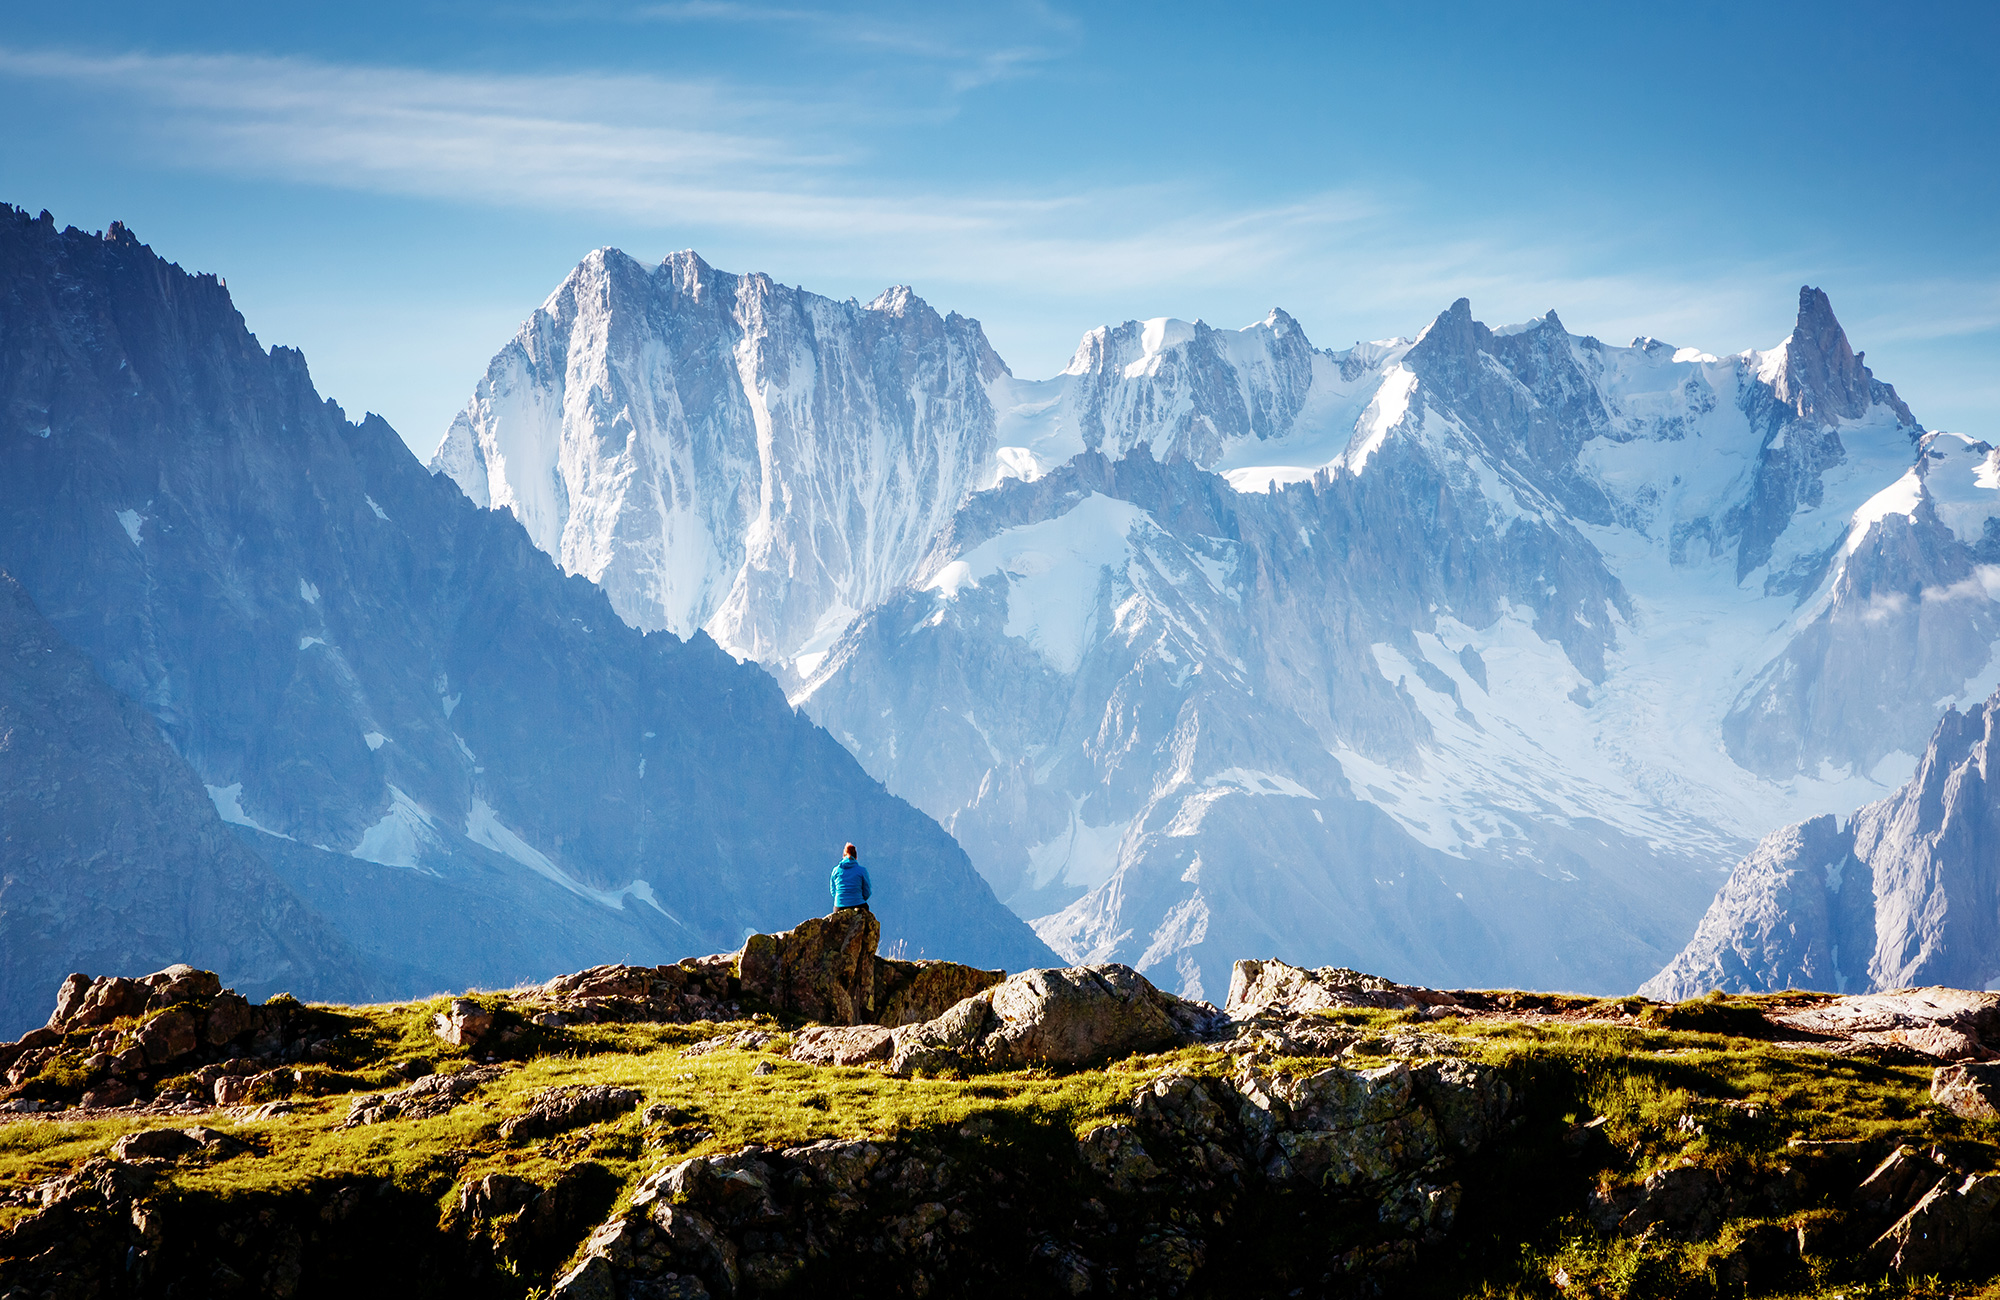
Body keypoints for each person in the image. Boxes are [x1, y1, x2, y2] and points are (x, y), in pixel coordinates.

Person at [830, 842, 871, 912]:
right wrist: (857, 898)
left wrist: (841, 899)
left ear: (843, 856)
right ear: (856, 857)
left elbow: (833, 890)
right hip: (858, 904)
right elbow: (867, 891)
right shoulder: (862, 870)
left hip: (839, 906)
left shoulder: (835, 870)